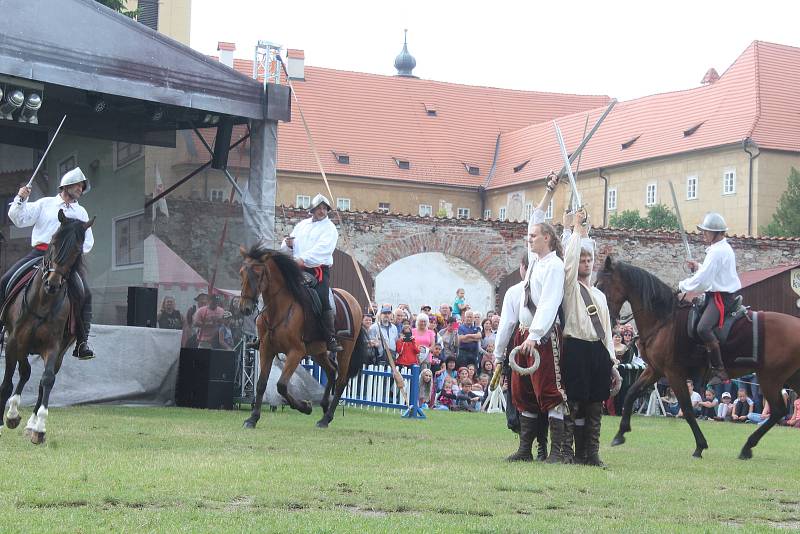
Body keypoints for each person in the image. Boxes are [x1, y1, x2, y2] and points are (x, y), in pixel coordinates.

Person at [494, 173, 561, 462]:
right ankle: (526, 449)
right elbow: (535, 216)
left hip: (542, 336)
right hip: (524, 334)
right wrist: (549, 191)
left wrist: (535, 336)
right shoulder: (535, 260)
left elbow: (548, 303)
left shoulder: (554, 266)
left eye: (533, 236)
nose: (529, 238)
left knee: (548, 390)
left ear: (547, 238)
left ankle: (557, 450)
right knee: (523, 393)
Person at [0, 167, 95, 359]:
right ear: (66, 185)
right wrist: (21, 198)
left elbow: (88, 241)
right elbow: (19, 219)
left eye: (82, 186)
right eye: (77, 185)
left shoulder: (81, 212)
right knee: (5, 281)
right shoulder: (46, 203)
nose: (80, 188)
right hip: (40, 253)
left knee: (86, 294)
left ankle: (82, 342)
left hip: (66, 263)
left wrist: (70, 255)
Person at [558, 208, 618, 466]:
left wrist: (613, 363)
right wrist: (576, 230)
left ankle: (590, 453)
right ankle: (569, 452)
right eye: (582, 259)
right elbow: (568, 261)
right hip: (575, 347)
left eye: (588, 259)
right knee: (574, 403)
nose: (585, 263)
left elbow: (606, 332)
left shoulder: (601, 297)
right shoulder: (570, 287)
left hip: (597, 350)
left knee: (595, 404)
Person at [677, 212, 741, 385]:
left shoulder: (718, 251)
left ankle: (720, 369)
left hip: (721, 298)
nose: (703, 233)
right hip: (716, 295)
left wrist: (682, 286)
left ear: (717, 233)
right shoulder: (718, 249)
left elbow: (704, 281)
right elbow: (709, 273)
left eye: (706, 231)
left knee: (703, 328)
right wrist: (698, 266)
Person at [280, 193, 342, 352]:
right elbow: (289, 243)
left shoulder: (330, 228)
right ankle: (268, 332)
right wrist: (287, 244)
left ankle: (330, 338)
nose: (322, 211)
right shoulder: (302, 225)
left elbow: (323, 249)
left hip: (317, 270)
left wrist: (303, 259)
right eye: (319, 208)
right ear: (313, 210)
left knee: (322, 297)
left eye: (324, 208)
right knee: (277, 289)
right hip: (297, 269)